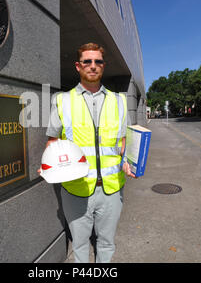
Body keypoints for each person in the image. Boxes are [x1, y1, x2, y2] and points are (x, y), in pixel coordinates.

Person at [40, 42, 136, 263]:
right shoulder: (62, 100)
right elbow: (53, 141)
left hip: (112, 190)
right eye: (87, 61)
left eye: (98, 61)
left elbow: (123, 143)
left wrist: (128, 161)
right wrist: (48, 164)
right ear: (78, 66)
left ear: (103, 66)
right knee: (80, 246)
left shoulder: (119, 101)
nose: (93, 66)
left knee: (106, 244)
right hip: (76, 189)